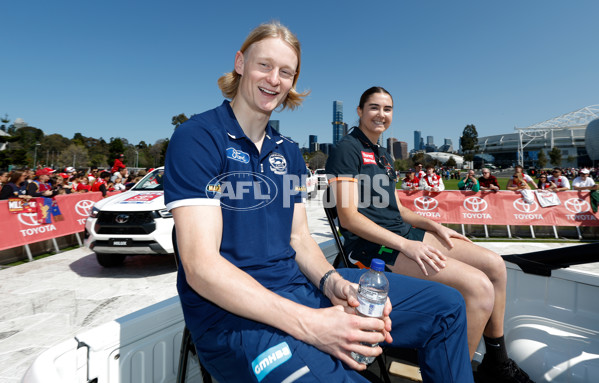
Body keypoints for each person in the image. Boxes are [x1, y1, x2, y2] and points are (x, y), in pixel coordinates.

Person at [164, 25, 473, 383]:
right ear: (240, 63)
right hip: (232, 319)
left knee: (447, 307)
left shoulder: (288, 151)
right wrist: (312, 325)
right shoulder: (198, 138)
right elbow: (201, 267)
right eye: (264, 65)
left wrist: (332, 284)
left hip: (300, 289)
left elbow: (299, 240)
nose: (274, 80)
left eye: (286, 72)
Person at [326, 86, 533, 383]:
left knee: (494, 266)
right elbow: (349, 219)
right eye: (373, 107)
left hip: (403, 235)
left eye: (387, 109)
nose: (380, 114)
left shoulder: (383, 155)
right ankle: (454, 375)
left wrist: (433, 226)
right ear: (360, 111)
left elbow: (397, 209)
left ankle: (496, 362)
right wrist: (407, 245)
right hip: (374, 248)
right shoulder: (347, 149)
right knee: (479, 289)